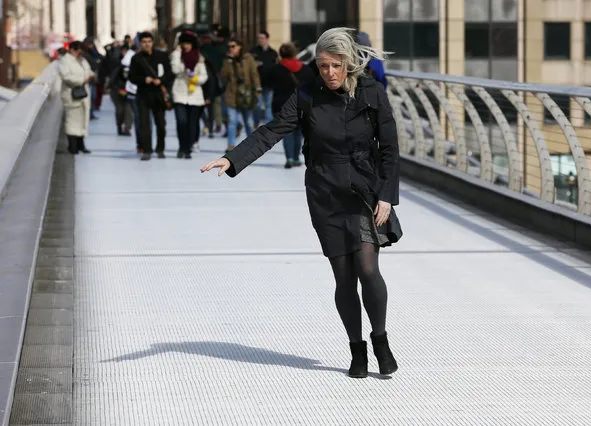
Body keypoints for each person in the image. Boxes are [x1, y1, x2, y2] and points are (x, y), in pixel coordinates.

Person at [200, 27, 402, 379]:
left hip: (363, 190)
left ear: (349, 63)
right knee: (344, 278)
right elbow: (273, 129)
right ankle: (357, 348)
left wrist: (386, 195)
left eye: (336, 65)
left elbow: (389, 150)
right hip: (324, 192)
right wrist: (233, 159)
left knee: (368, 269)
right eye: (323, 66)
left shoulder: (372, 92)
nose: (330, 73)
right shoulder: (307, 94)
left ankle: (380, 338)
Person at [266, 42, 315, 168]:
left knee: (287, 133)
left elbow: (267, 82)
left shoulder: (275, 69)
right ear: (295, 53)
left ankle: (289, 158)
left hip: (281, 105)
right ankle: (296, 157)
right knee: (298, 133)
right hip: (301, 104)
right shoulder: (305, 69)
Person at [128, 32, 173, 161]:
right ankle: (146, 150)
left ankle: (160, 149)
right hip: (143, 94)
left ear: (153, 42)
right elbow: (132, 77)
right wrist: (144, 79)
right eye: (144, 42)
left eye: (149, 41)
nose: (147, 44)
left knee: (161, 124)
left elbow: (170, 73)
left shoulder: (162, 56)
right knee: (144, 124)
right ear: (140, 43)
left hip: (159, 95)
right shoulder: (136, 58)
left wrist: (162, 80)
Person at [171, 31, 208, 159]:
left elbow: (204, 76)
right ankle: (182, 146)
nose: (186, 46)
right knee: (181, 122)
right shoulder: (177, 56)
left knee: (192, 124)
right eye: (183, 43)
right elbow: (175, 70)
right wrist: (176, 53)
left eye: (188, 43)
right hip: (180, 94)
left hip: (195, 95)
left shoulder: (199, 57)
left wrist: (196, 79)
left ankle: (188, 148)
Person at [220, 38, 261, 153]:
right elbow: (223, 75)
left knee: (248, 121)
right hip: (232, 94)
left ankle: (251, 144)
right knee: (232, 121)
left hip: (246, 95)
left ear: (240, 46)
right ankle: (231, 145)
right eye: (229, 47)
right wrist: (228, 61)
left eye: (233, 46)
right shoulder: (227, 60)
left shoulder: (248, 58)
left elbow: (254, 73)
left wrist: (258, 88)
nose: (231, 49)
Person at [59, 41, 94, 154]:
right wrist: (81, 80)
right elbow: (66, 76)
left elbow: (88, 70)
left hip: (82, 93)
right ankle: (72, 146)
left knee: (83, 120)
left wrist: (90, 75)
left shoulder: (82, 60)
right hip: (72, 94)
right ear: (72, 50)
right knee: (72, 120)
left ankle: (81, 144)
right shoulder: (65, 61)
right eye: (79, 50)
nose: (81, 53)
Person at [250, 31, 278, 128]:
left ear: (267, 39)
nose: (260, 40)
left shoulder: (273, 53)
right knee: (257, 105)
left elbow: (276, 66)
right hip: (257, 84)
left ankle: (269, 126)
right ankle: (256, 122)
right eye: (258, 38)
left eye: (262, 38)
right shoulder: (253, 52)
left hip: (269, 83)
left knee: (268, 105)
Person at [106, 44, 134, 136]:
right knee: (120, 109)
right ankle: (119, 125)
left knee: (128, 109)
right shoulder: (116, 62)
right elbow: (113, 76)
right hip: (117, 89)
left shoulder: (133, 61)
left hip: (129, 89)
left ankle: (127, 127)